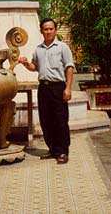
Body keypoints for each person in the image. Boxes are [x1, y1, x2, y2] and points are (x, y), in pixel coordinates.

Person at [19, 18, 74, 164]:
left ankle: (62, 151)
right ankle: (52, 149)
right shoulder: (38, 49)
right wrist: (25, 64)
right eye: (45, 29)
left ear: (55, 30)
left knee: (60, 120)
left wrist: (68, 88)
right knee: (46, 120)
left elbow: (69, 68)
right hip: (43, 87)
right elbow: (35, 67)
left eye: (51, 29)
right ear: (41, 31)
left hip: (58, 87)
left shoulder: (62, 47)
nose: (48, 31)